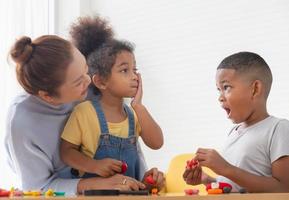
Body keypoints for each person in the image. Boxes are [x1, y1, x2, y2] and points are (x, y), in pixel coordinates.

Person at [5, 35, 147, 194]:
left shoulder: (91, 91)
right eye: (78, 82)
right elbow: (38, 188)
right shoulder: (21, 124)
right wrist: (96, 184)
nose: (89, 80)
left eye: (86, 70)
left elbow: (128, 138)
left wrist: (144, 178)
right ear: (47, 96)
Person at [60, 16, 164, 190]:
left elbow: (157, 143)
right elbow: (66, 152)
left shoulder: (134, 114)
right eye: (124, 70)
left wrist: (138, 106)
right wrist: (94, 166)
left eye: (135, 69)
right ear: (101, 82)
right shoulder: (84, 112)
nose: (133, 76)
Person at [183, 52, 289, 192]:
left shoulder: (278, 128)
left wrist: (226, 169)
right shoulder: (234, 132)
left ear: (255, 89)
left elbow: (284, 188)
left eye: (226, 87)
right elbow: (234, 187)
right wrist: (207, 180)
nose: (220, 97)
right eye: (218, 90)